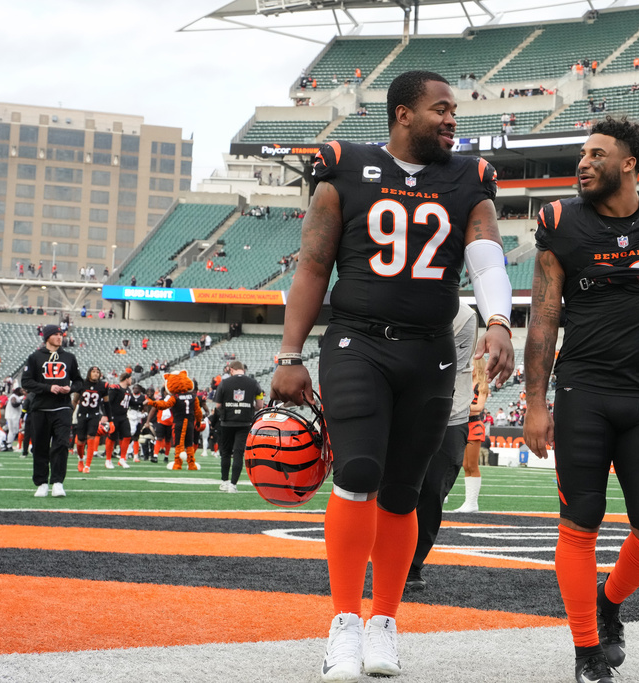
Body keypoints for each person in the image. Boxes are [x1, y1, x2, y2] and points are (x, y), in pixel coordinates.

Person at [268, 70, 514, 682]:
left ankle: (384, 621)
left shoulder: (467, 179)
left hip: (430, 350)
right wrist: (289, 354)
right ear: (403, 114)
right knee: (357, 473)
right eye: (441, 109)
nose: (452, 119)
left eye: (454, 110)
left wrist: (501, 320)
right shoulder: (346, 167)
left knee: (404, 491)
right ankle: (344, 623)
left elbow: (486, 254)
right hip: (357, 342)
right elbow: (313, 266)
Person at [523, 116, 639, 683]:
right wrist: (536, 401)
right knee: (580, 522)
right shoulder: (560, 223)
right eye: (581, 154)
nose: (583, 163)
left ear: (628, 163)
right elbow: (544, 320)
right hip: (584, 391)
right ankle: (587, 652)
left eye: (596, 154)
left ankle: (609, 601)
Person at [407, 301, 478, 590]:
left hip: (449, 412)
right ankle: (386, 557)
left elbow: (444, 370)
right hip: (401, 408)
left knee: (433, 490)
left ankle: (412, 564)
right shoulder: (394, 301)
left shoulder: (463, 315)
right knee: (390, 488)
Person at [21, 325, 83, 497]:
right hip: (40, 407)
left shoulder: (69, 357)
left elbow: (79, 382)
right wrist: (49, 388)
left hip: (63, 407)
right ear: (47, 337)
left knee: (61, 444)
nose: (59, 337)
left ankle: (57, 482)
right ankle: (41, 483)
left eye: (60, 334)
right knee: (40, 446)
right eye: (55, 334)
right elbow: (26, 382)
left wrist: (69, 389)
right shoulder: (35, 357)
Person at [214, 360, 264, 493]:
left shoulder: (224, 383)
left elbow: (218, 405)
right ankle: (233, 485)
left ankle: (224, 482)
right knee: (238, 453)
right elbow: (260, 405)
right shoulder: (254, 383)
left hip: (227, 422)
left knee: (225, 453)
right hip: (244, 422)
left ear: (231, 370)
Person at [449, 357, 489, 513]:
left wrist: (461, 406)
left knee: (472, 465)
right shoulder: (466, 383)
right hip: (463, 424)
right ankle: (468, 502)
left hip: (474, 425)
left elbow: (479, 407)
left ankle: (472, 502)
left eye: (471, 364)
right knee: (464, 465)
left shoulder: (481, 385)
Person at [73, 366, 110, 472]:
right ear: (89, 373)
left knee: (91, 438)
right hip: (82, 415)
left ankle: (87, 466)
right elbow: (75, 400)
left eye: (97, 372)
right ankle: (81, 459)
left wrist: (107, 416)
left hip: (94, 415)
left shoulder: (103, 386)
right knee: (80, 441)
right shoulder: (82, 384)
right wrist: (70, 412)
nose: (95, 374)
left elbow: (106, 403)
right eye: (93, 372)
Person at [104, 372, 135, 469]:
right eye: (130, 378)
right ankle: (108, 460)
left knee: (127, 436)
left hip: (123, 416)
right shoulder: (115, 388)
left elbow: (132, 402)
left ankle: (122, 459)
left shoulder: (128, 390)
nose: (131, 380)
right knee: (112, 437)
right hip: (114, 416)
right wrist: (107, 416)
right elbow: (108, 402)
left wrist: (144, 403)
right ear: (126, 379)